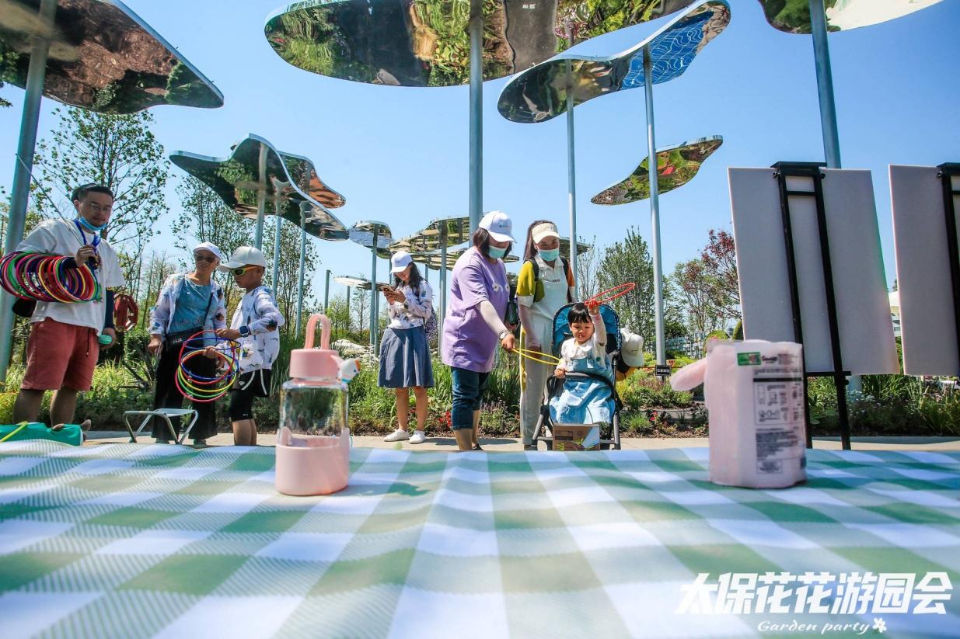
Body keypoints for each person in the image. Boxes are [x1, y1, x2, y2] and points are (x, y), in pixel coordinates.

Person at [11, 183, 124, 426]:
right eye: (94, 205)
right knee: (37, 382)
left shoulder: (105, 248)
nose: (100, 213)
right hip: (55, 318)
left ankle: (62, 437)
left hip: (90, 326)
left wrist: (109, 326)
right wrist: (68, 263)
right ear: (77, 204)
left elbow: (108, 291)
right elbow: (21, 261)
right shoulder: (54, 229)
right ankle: (21, 440)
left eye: (107, 208)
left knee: (73, 385)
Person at [441, 211, 517, 451]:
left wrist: (508, 320)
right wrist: (504, 332)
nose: (501, 245)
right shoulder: (469, 264)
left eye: (505, 241)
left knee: (477, 395)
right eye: (496, 240)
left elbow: (501, 298)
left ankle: (474, 443)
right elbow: (482, 302)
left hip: (486, 342)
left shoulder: (500, 264)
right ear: (482, 237)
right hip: (464, 340)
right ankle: (465, 450)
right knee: (464, 396)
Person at [147, 242, 227, 446]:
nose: (203, 262)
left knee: (203, 389)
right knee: (168, 386)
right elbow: (160, 310)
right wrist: (156, 336)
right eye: (199, 257)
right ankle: (164, 434)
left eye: (208, 259)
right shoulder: (176, 281)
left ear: (216, 263)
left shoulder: (216, 289)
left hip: (203, 343)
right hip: (176, 341)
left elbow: (220, 320)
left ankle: (200, 434)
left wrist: (219, 349)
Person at [211, 246, 284, 446]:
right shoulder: (248, 297)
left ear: (259, 271)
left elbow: (274, 319)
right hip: (246, 360)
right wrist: (221, 352)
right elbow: (238, 335)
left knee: (238, 408)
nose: (235, 276)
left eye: (239, 271)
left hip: (254, 361)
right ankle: (249, 450)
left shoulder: (261, 294)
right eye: (234, 272)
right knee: (243, 408)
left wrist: (239, 332)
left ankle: (242, 452)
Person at [515, 220, 574, 450]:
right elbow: (523, 306)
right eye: (544, 242)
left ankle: (555, 435)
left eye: (554, 241)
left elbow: (572, 300)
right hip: (536, 331)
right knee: (533, 388)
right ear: (536, 244)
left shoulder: (566, 265)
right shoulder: (530, 267)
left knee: (559, 386)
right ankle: (529, 440)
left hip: (561, 333)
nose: (550, 245)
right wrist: (531, 336)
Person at [379, 250, 434, 445]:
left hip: (415, 334)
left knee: (419, 386)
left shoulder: (423, 286)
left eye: (403, 270)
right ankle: (402, 429)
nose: (401, 274)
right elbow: (393, 315)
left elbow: (426, 313)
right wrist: (392, 302)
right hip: (395, 334)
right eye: (397, 272)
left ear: (411, 266)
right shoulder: (398, 286)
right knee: (400, 387)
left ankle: (419, 430)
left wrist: (405, 301)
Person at [550, 302, 615, 424]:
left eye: (587, 327)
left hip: (597, 387)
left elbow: (601, 334)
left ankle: (595, 435)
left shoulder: (596, 343)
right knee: (564, 406)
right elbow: (564, 360)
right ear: (570, 326)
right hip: (573, 388)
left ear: (593, 327)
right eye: (577, 327)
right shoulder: (567, 345)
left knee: (596, 409)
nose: (582, 331)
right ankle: (568, 436)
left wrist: (595, 315)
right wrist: (561, 369)